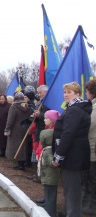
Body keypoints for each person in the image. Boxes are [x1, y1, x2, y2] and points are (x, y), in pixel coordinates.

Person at [52, 82, 91, 217]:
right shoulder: (75, 108)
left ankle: (73, 214)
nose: (66, 95)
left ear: (77, 93)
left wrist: (58, 156)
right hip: (75, 154)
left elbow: (68, 134)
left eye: (69, 92)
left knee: (72, 190)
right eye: (65, 92)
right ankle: (69, 212)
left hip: (73, 155)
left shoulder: (75, 110)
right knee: (70, 188)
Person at [39, 110, 61, 217]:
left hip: (51, 170)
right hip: (48, 173)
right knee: (47, 186)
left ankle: (50, 208)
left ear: (52, 120)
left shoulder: (52, 134)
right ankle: (47, 202)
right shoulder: (49, 131)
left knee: (50, 187)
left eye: (46, 118)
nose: (44, 120)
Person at [4, 91, 30, 170]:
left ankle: (20, 163)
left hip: (15, 129)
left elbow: (10, 120)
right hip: (25, 128)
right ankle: (22, 162)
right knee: (23, 146)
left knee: (16, 146)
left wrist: (7, 130)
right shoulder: (27, 106)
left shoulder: (14, 107)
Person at [82, 80, 96, 215]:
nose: (86, 94)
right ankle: (86, 201)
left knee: (92, 178)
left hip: (93, 147)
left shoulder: (95, 108)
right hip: (90, 146)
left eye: (87, 91)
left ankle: (92, 204)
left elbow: (89, 125)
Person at [24, 91, 36, 167]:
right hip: (28, 126)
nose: (24, 98)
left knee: (29, 144)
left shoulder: (31, 106)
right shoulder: (29, 105)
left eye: (25, 97)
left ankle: (28, 161)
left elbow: (30, 118)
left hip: (30, 127)